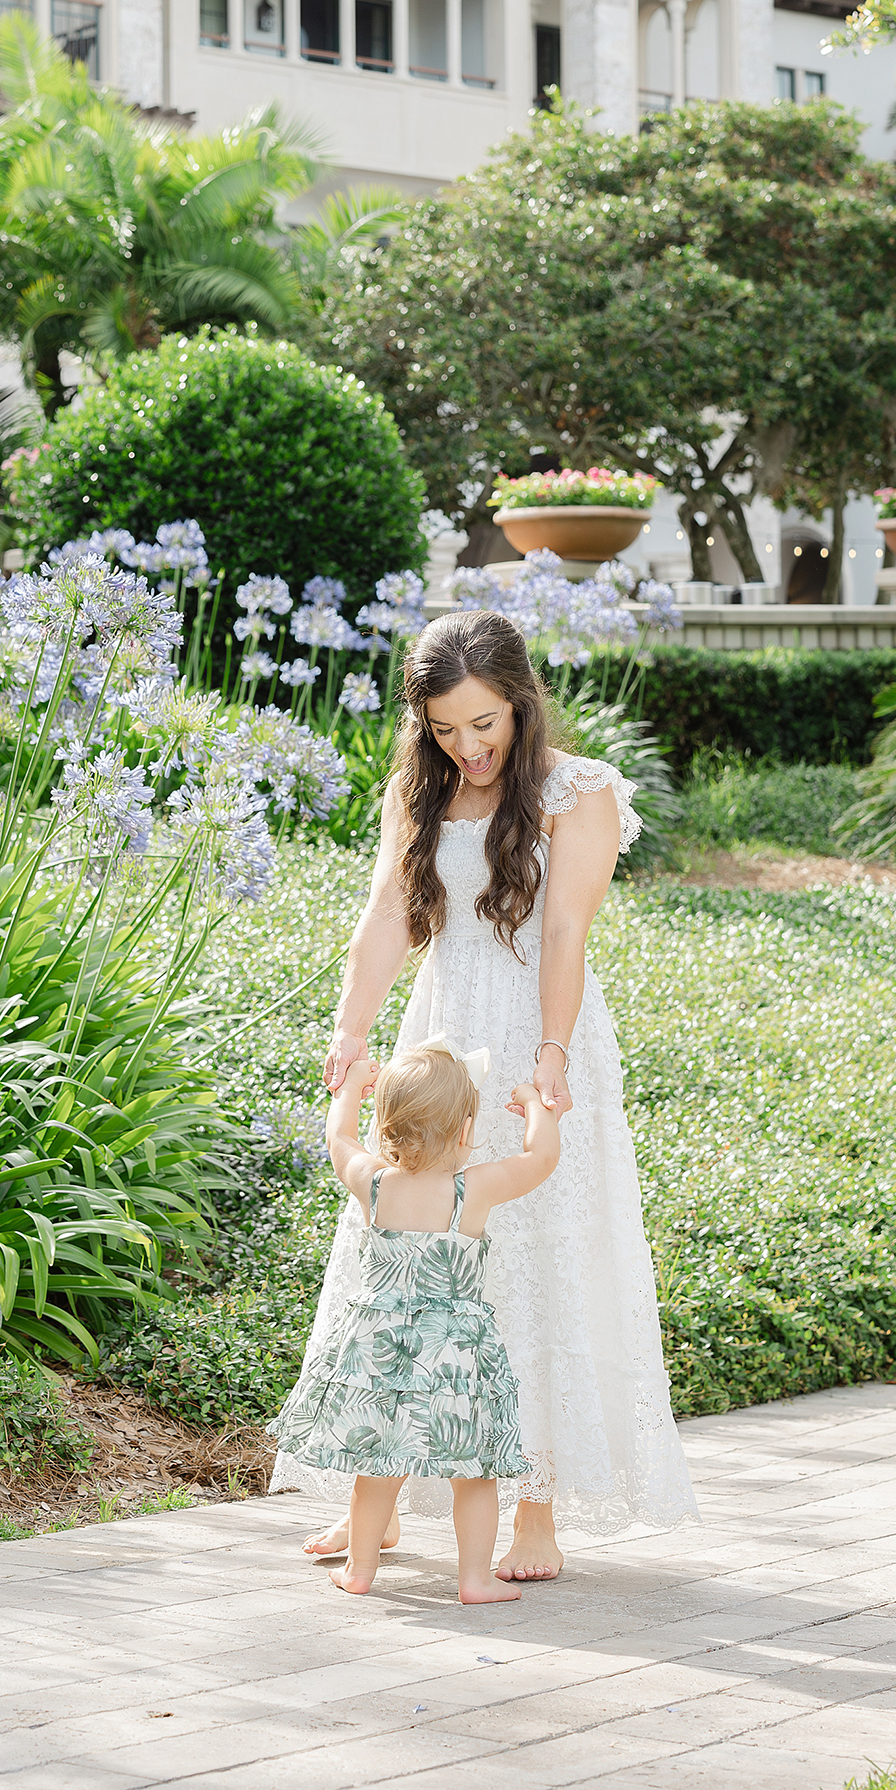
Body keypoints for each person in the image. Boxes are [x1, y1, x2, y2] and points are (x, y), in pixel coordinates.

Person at [271, 608, 697, 1578]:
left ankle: (533, 1505)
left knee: (533, 1256)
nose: (465, 746)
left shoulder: (572, 793)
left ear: (519, 701)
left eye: (483, 723)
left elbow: (562, 934)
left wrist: (548, 1052)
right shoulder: (417, 792)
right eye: (443, 728)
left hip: (537, 1037)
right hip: (439, 1036)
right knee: (398, 1257)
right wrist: (349, 1029)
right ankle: (372, 1499)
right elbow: (386, 914)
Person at [267, 1038, 560, 1604]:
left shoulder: (373, 1183)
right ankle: (473, 1581)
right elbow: (540, 1160)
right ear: (465, 1129)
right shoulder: (470, 1190)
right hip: (454, 1358)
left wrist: (351, 1087)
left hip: (380, 1353)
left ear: (388, 1126)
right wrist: (535, 1107)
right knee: (473, 1472)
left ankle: (359, 1571)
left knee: (376, 1468)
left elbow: (338, 1138)